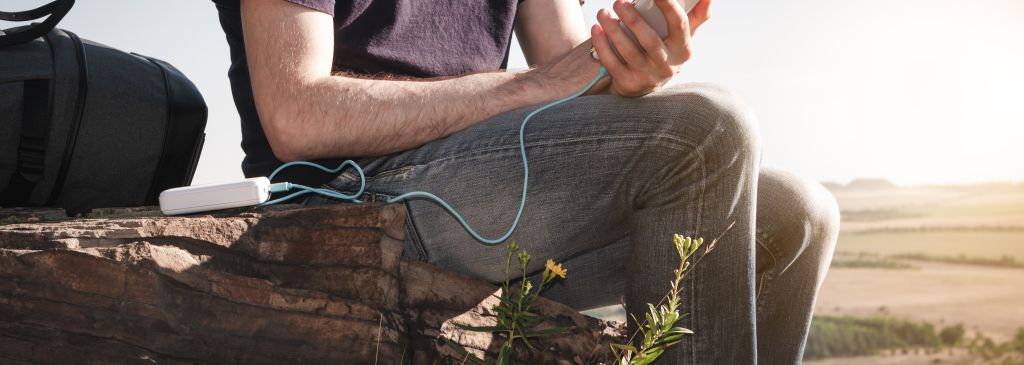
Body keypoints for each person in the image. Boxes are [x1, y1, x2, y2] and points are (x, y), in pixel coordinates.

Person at [212, 0, 840, 363]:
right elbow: (297, 113)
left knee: (799, 214)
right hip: (349, 198)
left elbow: (571, 60)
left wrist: (631, 59)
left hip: (487, 189)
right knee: (707, 128)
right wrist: (532, 87)